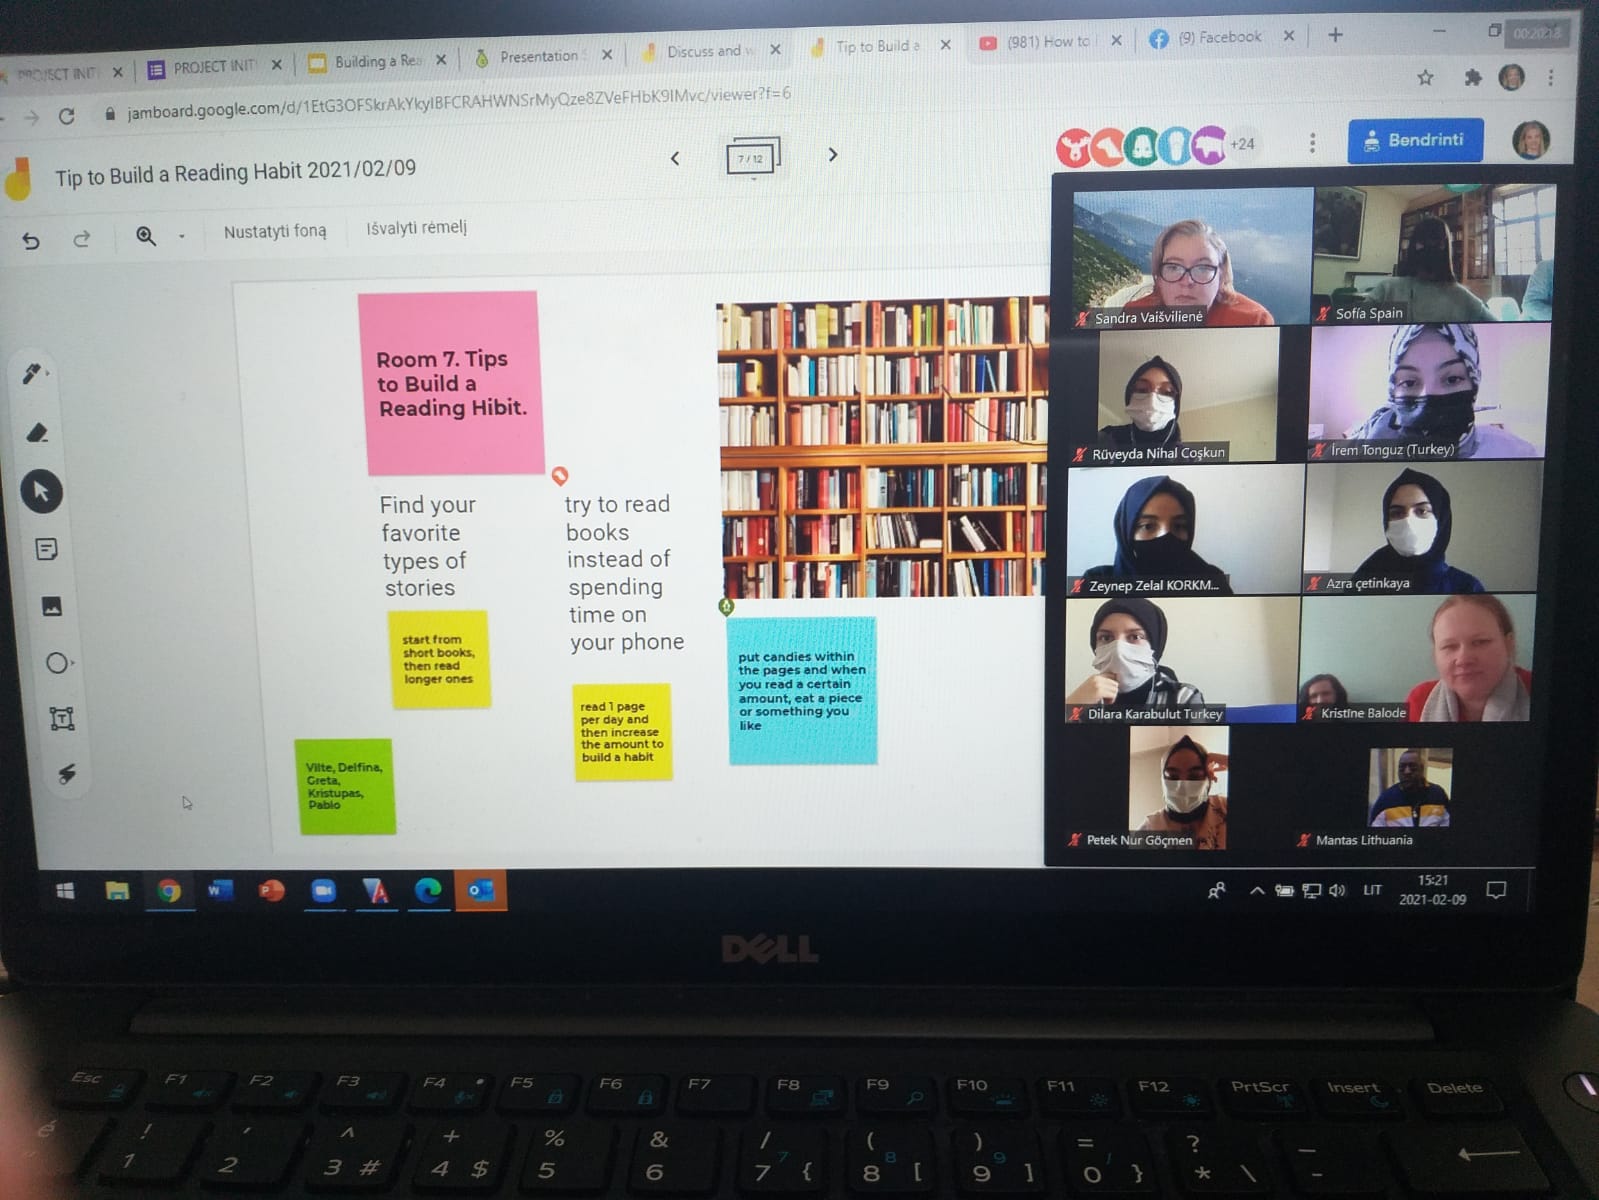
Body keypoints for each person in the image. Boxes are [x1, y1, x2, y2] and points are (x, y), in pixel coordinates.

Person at [1345, 323, 1538, 458]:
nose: (1428, 397)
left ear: (1474, 381)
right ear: (1392, 388)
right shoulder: (1367, 447)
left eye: (1452, 379)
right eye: (1409, 383)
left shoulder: (1516, 452)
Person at [1081, 475, 1232, 592]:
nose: (1165, 535)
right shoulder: (1094, 582)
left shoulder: (1212, 580)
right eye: (1148, 526)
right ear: (1126, 532)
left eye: (1178, 526)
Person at [1119, 219, 1274, 327]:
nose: (1187, 281)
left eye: (1203, 268)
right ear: (1158, 277)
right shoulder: (1133, 316)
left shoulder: (1253, 320)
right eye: (1173, 267)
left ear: (1221, 276)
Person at [1351, 468, 1485, 593]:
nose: (1408, 521)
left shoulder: (1467, 587)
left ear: (1440, 518)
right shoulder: (1366, 576)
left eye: (1422, 511)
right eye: (1397, 513)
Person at [1407, 594, 1531, 722]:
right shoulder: (1419, 701)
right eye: (1449, 646)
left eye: (1480, 642)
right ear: (1435, 655)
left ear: (1509, 644)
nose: (1464, 659)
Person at [1066, 597, 1204, 710]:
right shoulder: (1087, 698)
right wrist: (1070, 707)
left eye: (1135, 636)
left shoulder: (1183, 698)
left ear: (1155, 646)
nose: (1118, 649)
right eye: (1106, 638)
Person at [1355, 216, 1496, 322]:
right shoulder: (1387, 289)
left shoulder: (1463, 298)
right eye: (1423, 241)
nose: (1429, 247)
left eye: (1435, 242)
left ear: (1444, 248)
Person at [1137, 735, 1229, 849]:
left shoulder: (1225, 808)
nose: (1182, 787)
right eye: (1172, 776)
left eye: (1194, 776)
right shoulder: (1149, 830)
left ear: (1208, 779)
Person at [1098, 356, 1184, 448]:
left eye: (1167, 392)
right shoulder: (1108, 437)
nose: (1152, 401)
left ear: (1176, 404)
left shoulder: (1188, 455)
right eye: (1142, 389)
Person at [1369, 749, 1451, 827]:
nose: (1407, 771)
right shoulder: (1386, 799)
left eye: (1412, 767)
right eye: (1402, 768)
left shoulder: (1438, 795)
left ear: (1422, 769)